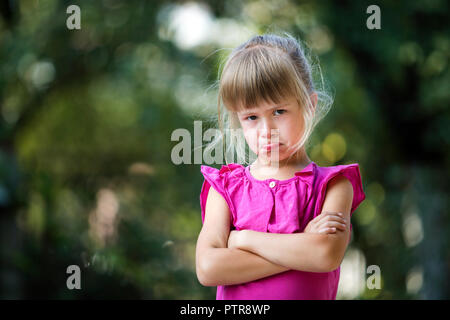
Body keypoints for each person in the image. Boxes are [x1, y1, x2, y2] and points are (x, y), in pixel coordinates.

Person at [195, 33, 366, 300]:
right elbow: (208, 268)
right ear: (238, 120)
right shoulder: (225, 189)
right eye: (251, 117)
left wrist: (243, 240)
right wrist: (301, 247)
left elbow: (324, 254)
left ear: (309, 106)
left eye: (279, 112)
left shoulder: (333, 185)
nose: (267, 131)